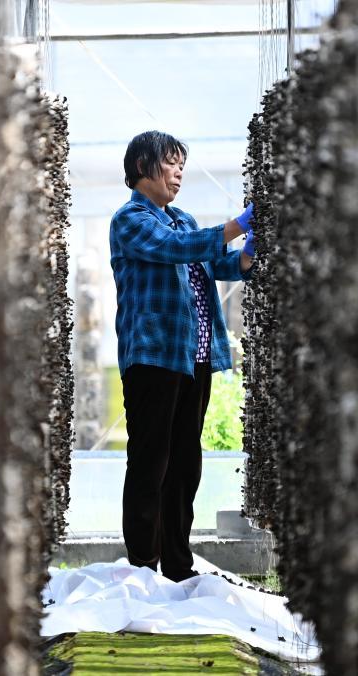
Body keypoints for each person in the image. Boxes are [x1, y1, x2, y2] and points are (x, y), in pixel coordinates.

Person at [109, 130, 256, 582]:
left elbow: (215, 264)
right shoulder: (130, 219)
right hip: (154, 355)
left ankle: (177, 565)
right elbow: (175, 250)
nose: (178, 173)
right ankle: (143, 566)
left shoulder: (184, 220)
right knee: (151, 462)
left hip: (194, 356)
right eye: (171, 163)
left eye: (182, 166)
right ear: (142, 167)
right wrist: (239, 224)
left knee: (185, 465)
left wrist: (248, 253)